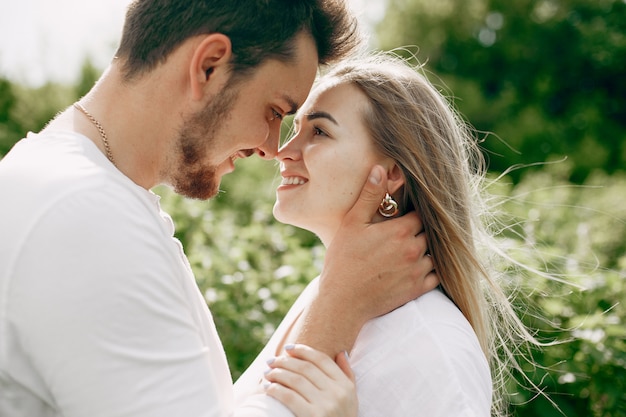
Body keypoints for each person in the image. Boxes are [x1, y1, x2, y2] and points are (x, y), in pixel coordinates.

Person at [0, 2, 439, 417]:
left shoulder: (70, 187)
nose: (272, 147)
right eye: (273, 111)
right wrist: (336, 311)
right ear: (209, 66)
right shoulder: (85, 214)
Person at [234, 53, 538, 417]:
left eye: (318, 131)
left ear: (391, 173)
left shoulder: (432, 346)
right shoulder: (326, 295)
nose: (283, 152)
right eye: (295, 129)